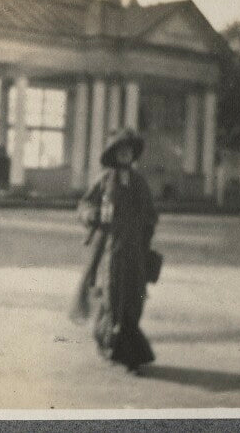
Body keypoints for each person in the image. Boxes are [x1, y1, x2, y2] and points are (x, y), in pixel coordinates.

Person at [73, 128, 158, 373]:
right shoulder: (104, 179)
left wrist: (147, 228)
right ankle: (115, 347)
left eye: (128, 152)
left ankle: (119, 345)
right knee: (111, 294)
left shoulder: (139, 182)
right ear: (114, 154)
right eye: (121, 151)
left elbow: (150, 213)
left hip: (135, 250)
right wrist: (92, 215)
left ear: (133, 155)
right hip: (110, 248)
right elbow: (85, 204)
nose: (125, 155)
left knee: (134, 296)